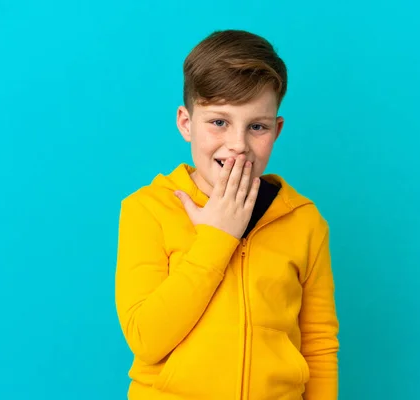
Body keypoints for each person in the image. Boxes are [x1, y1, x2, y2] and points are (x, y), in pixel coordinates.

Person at [115, 29, 339, 400]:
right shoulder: (147, 210)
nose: (238, 143)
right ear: (186, 123)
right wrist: (217, 238)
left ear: (276, 129)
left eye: (257, 126)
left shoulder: (304, 221)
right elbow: (146, 339)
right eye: (219, 121)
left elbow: (318, 344)